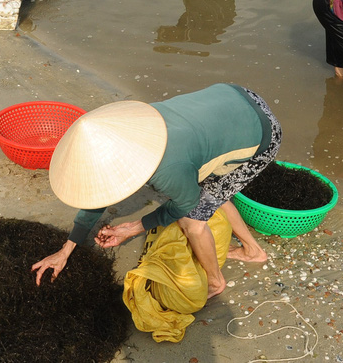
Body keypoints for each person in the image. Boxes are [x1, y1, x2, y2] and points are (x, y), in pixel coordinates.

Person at [31, 83, 279, 299]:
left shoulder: (167, 169)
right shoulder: (134, 125)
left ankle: (215, 281)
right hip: (231, 97)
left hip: (262, 132)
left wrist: (134, 227)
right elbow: (100, 189)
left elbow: (187, 204)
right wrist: (66, 249)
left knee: (192, 220)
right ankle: (252, 251)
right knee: (210, 190)